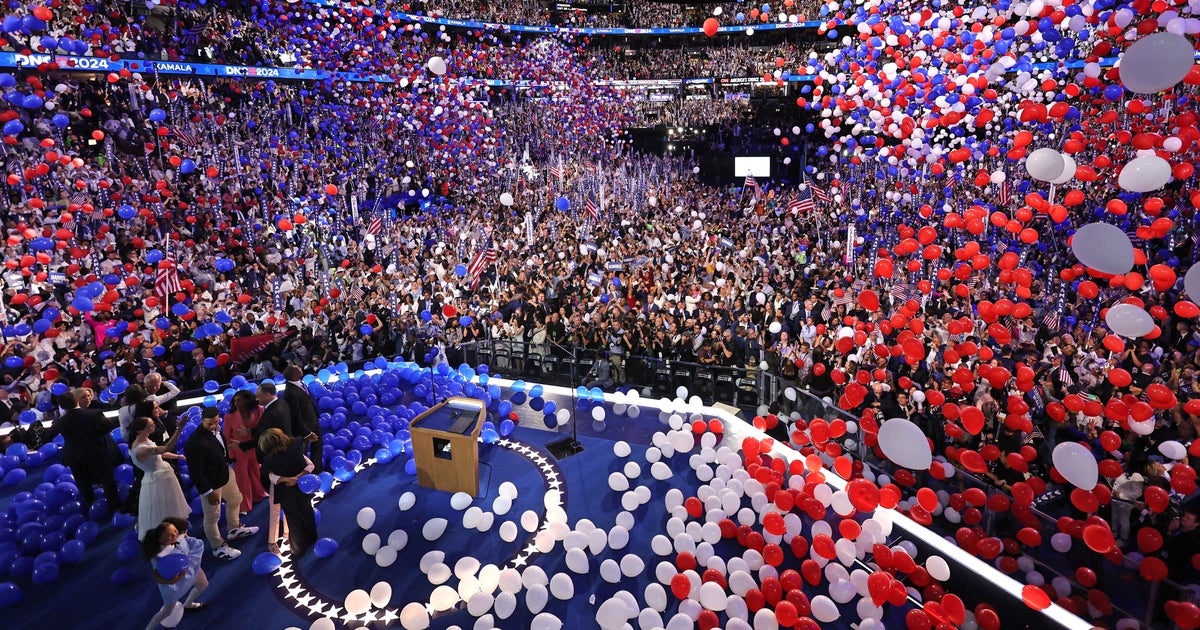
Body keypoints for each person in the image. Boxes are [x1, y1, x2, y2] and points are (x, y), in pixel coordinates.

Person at [183, 406, 259, 560]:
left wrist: (229, 460)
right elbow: (196, 471)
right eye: (209, 423)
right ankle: (217, 547)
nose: (213, 426)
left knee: (236, 499)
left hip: (225, 473)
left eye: (216, 422)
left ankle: (234, 528)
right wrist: (207, 491)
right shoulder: (195, 442)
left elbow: (220, 449)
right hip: (211, 483)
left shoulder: (218, 430)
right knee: (212, 517)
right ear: (202, 420)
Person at [44, 389, 121, 515]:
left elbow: (47, 436)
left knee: (83, 484)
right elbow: (108, 426)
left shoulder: (60, 422)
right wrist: (96, 436)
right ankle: (114, 507)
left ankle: (91, 508)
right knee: (107, 480)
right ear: (76, 401)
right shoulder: (94, 413)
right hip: (97, 452)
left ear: (62, 406)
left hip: (75, 456)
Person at [140, 517, 208, 629]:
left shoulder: (179, 538)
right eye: (170, 536)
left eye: (175, 531)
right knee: (167, 611)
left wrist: (186, 538)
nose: (175, 535)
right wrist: (171, 581)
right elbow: (156, 577)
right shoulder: (158, 556)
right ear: (161, 541)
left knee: (203, 584)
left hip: (190, 569)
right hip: (172, 584)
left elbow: (184, 539)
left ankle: (188, 604)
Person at [258, 428, 317, 558]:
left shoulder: (269, 459)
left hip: (286, 493)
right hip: (303, 487)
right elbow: (307, 462)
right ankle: (312, 537)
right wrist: (298, 477)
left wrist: (285, 480)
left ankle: (297, 549)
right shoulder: (297, 443)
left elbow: (268, 477)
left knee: (293, 520)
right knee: (308, 511)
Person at [129, 416, 190, 540]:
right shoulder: (141, 449)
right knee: (162, 510)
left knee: (171, 505)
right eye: (150, 426)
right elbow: (166, 447)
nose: (154, 426)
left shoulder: (146, 440)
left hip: (164, 477)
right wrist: (179, 429)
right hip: (157, 481)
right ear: (140, 430)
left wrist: (177, 456)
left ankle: (176, 530)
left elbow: (160, 453)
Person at [222, 391, 268, 514]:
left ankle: (259, 493)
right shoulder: (229, 416)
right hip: (238, 450)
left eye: (239, 400)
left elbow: (262, 429)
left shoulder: (259, 410)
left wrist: (250, 432)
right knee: (242, 479)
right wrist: (231, 454)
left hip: (254, 447)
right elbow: (227, 436)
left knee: (256, 472)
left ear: (247, 400)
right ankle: (244, 506)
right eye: (235, 401)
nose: (236, 403)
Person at [281, 365, 322, 474]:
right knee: (302, 452)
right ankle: (303, 474)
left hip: (313, 421)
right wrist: (306, 433)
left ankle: (317, 470)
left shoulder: (301, 384)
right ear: (293, 374)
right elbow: (295, 415)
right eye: (298, 369)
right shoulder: (290, 392)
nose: (301, 369)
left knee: (317, 446)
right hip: (304, 428)